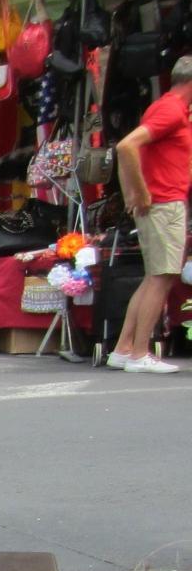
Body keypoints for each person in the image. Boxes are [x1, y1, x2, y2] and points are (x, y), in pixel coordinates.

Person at [110, 54, 192, 373]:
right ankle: (139, 353)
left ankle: (125, 348)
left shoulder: (169, 108)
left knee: (155, 277)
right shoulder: (171, 111)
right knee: (162, 277)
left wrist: (134, 191)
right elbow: (126, 146)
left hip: (160, 201)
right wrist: (139, 192)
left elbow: (131, 149)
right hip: (164, 202)